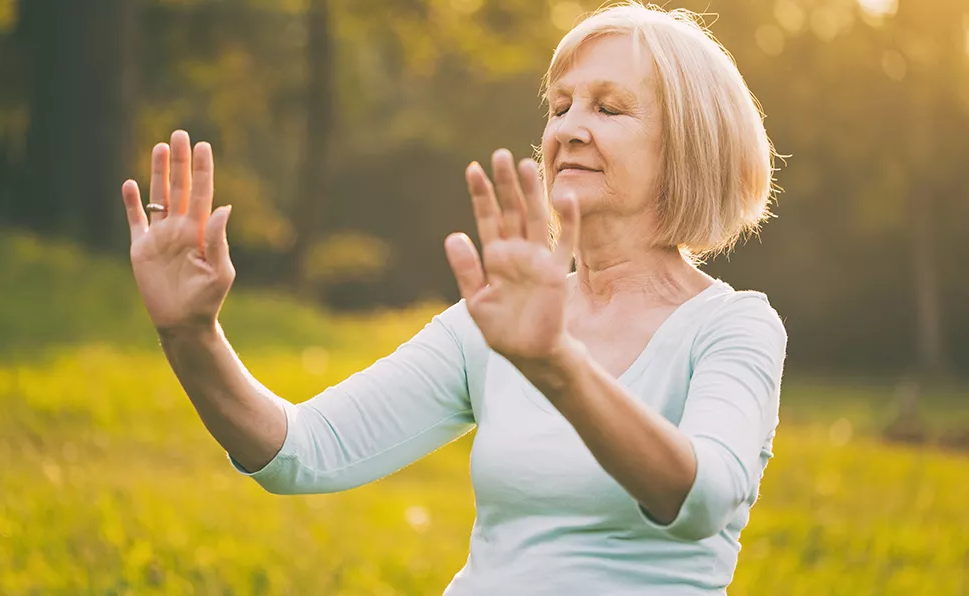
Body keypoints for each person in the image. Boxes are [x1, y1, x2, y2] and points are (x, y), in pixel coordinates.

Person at [120, 2, 787, 594]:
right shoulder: (496, 320)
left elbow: (702, 497)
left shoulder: (731, 328)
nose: (568, 129)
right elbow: (305, 450)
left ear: (692, 147)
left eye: (608, 108)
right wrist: (191, 337)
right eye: (560, 107)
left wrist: (555, 364)